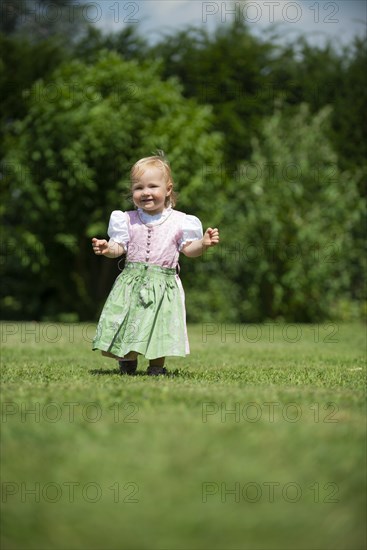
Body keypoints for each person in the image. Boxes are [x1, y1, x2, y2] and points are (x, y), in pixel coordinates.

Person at [91, 154, 219, 375]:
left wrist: (203, 244)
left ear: (168, 189)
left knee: (160, 325)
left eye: (153, 186)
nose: (145, 192)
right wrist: (107, 249)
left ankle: (156, 367)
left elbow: (189, 250)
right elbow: (119, 247)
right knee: (128, 320)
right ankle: (127, 362)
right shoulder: (126, 219)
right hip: (132, 282)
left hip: (164, 284)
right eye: (139, 187)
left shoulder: (181, 221)